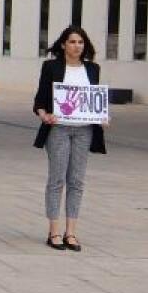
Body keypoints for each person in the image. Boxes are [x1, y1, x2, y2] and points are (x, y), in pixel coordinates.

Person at [33, 26, 106, 252]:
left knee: (77, 181)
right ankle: (53, 230)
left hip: (84, 130)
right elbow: (40, 101)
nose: (77, 46)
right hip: (59, 129)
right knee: (57, 179)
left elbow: (95, 99)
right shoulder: (51, 67)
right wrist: (44, 115)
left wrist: (101, 114)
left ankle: (71, 232)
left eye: (81, 42)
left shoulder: (93, 69)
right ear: (63, 44)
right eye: (72, 42)